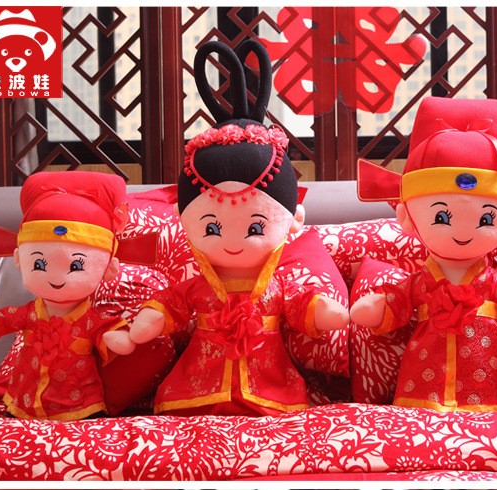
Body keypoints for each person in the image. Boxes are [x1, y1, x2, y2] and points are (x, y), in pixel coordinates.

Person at [112, 40, 348, 416]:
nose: (233, 241)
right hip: (198, 382)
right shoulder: (199, 287)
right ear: (184, 219)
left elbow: (298, 304)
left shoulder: (276, 286)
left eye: (255, 227)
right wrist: (150, 320)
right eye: (212, 228)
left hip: (269, 382)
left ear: (293, 220)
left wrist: (322, 310)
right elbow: (172, 304)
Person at [350, 97, 497, 412]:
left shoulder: (491, 282)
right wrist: (380, 307)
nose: (463, 232)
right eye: (441, 217)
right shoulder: (423, 282)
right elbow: (399, 300)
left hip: (493, 381)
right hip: (424, 383)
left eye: (486, 219)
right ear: (407, 218)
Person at [0, 171, 132, 420]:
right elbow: (6, 318)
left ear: (108, 268)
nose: (57, 278)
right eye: (39, 264)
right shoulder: (30, 313)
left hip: (79, 404)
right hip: (23, 400)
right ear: (19, 260)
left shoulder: (89, 319)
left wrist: (117, 337)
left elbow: (107, 331)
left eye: (76, 266)